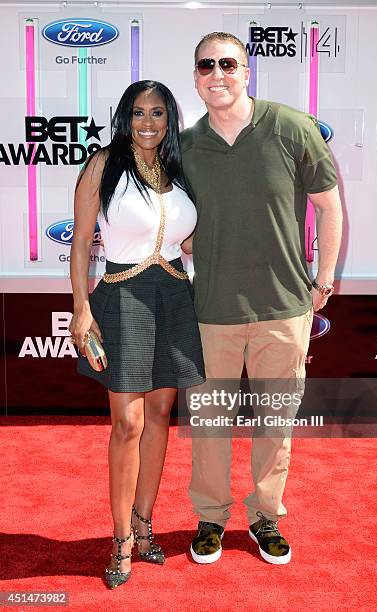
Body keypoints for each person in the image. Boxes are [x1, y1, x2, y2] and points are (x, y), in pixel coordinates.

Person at [180, 32, 342, 565]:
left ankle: (265, 515)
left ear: (247, 72)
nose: (217, 74)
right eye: (207, 66)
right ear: (197, 78)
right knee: (209, 423)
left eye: (228, 64)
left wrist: (324, 280)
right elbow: (172, 217)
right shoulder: (185, 146)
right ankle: (210, 516)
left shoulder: (293, 128)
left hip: (284, 306)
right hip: (211, 309)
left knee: (276, 420)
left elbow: (329, 204)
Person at [69, 80, 205, 588]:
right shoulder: (103, 165)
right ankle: (121, 536)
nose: (147, 123)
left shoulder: (177, 168)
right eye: (138, 113)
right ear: (125, 117)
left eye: (158, 114)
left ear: (170, 119)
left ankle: (146, 526)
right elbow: (82, 242)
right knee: (126, 423)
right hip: (121, 297)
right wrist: (81, 308)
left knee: (159, 416)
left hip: (173, 297)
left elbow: (185, 238)